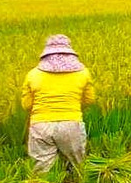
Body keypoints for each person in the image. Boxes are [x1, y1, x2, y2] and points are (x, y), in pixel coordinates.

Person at [21, 34, 96, 172]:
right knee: (78, 165)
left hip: (40, 125)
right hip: (71, 123)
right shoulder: (83, 73)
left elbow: (26, 105)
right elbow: (89, 99)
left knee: (42, 168)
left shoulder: (32, 74)